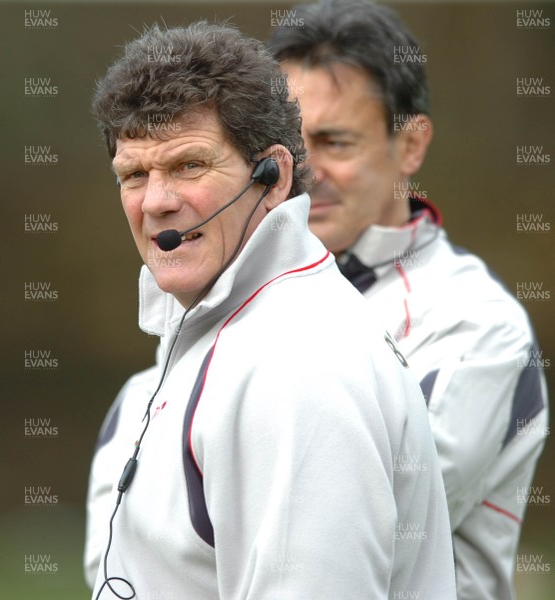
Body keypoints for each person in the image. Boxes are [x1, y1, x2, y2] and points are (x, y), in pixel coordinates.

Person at [85, 21, 456, 600]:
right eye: (134, 175)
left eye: (189, 165)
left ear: (274, 176)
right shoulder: (227, 332)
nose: (157, 201)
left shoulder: (297, 366)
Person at [267, 1, 549, 599]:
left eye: (335, 142)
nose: (305, 172)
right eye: (287, 144)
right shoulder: (222, 297)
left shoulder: (478, 323)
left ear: (411, 145)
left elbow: (364, 523)